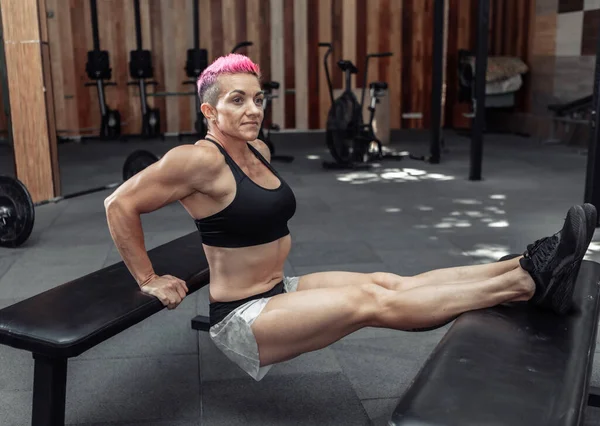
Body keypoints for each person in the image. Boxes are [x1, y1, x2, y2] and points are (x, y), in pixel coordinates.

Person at [104, 53, 598, 381]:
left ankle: (523, 263)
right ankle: (529, 286)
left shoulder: (258, 148)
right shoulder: (198, 159)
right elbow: (118, 204)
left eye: (258, 98)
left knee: (389, 281)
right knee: (369, 302)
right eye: (237, 100)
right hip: (242, 318)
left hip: (280, 290)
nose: (253, 109)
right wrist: (148, 278)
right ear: (209, 112)